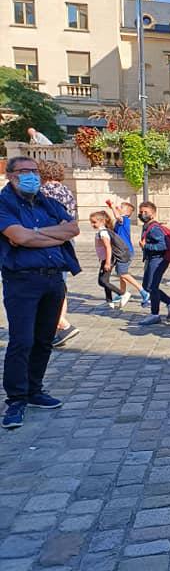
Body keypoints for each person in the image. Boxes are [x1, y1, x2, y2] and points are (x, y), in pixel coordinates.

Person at [0, 156, 80, 430]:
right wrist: (50, 235)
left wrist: (35, 233)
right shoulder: (4, 204)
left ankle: (35, 390)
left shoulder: (48, 201)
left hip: (53, 279)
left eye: (35, 171)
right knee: (22, 340)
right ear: (11, 175)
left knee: (44, 339)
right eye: (25, 171)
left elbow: (72, 228)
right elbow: (18, 238)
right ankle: (16, 399)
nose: (32, 176)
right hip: (21, 281)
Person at [37, 160, 80, 348]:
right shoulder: (66, 190)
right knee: (61, 285)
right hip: (66, 241)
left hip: (50, 241)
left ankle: (62, 324)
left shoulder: (45, 192)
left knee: (52, 286)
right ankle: (59, 325)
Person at [137, 201, 170, 326]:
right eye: (141, 212)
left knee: (152, 287)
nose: (142, 214)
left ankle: (155, 314)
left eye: (145, 212)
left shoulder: (155, 228)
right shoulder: (147, 226)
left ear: (153, 213)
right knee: (147, 286)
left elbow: (162, 245)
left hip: (158, 260)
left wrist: (146, 246)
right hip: (151, 259)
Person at [106, 199, 150, 306]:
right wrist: (116, 208)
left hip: (124, 252)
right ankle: (122, 292)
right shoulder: (121, 220)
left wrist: (112, 206)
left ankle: (143, 292)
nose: (118, 208)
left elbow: (117, 216)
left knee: (123, 273)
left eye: (121, 207)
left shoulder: (124, 219)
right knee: (122, 273)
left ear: (126, 212)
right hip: (123, 251)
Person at [89, 211, 130, 308]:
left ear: (102, 221)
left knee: (102, 281)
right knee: (105, 280)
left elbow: (108, 247)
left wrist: (107, 262)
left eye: (94, 222)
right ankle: (109, 302)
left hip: (108, 259)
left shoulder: (103, 233)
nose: (92, 224)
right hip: (105, 259)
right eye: (91, 222)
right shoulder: (102, 231)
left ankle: (122, 294)